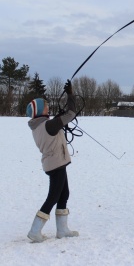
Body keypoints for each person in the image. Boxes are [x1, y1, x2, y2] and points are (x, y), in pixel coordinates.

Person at [26, 80, 79, 242]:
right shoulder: (49, 125)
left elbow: (58, 121)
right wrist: (70, 94)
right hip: (56, 164)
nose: (48, 108)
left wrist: (59, 116)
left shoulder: (40, 126)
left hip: (54, 163)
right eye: (46, 107)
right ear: (40, 111)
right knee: (53, 197)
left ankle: (62, 230)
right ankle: (35, 231)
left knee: (64, 194)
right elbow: (71, 114)